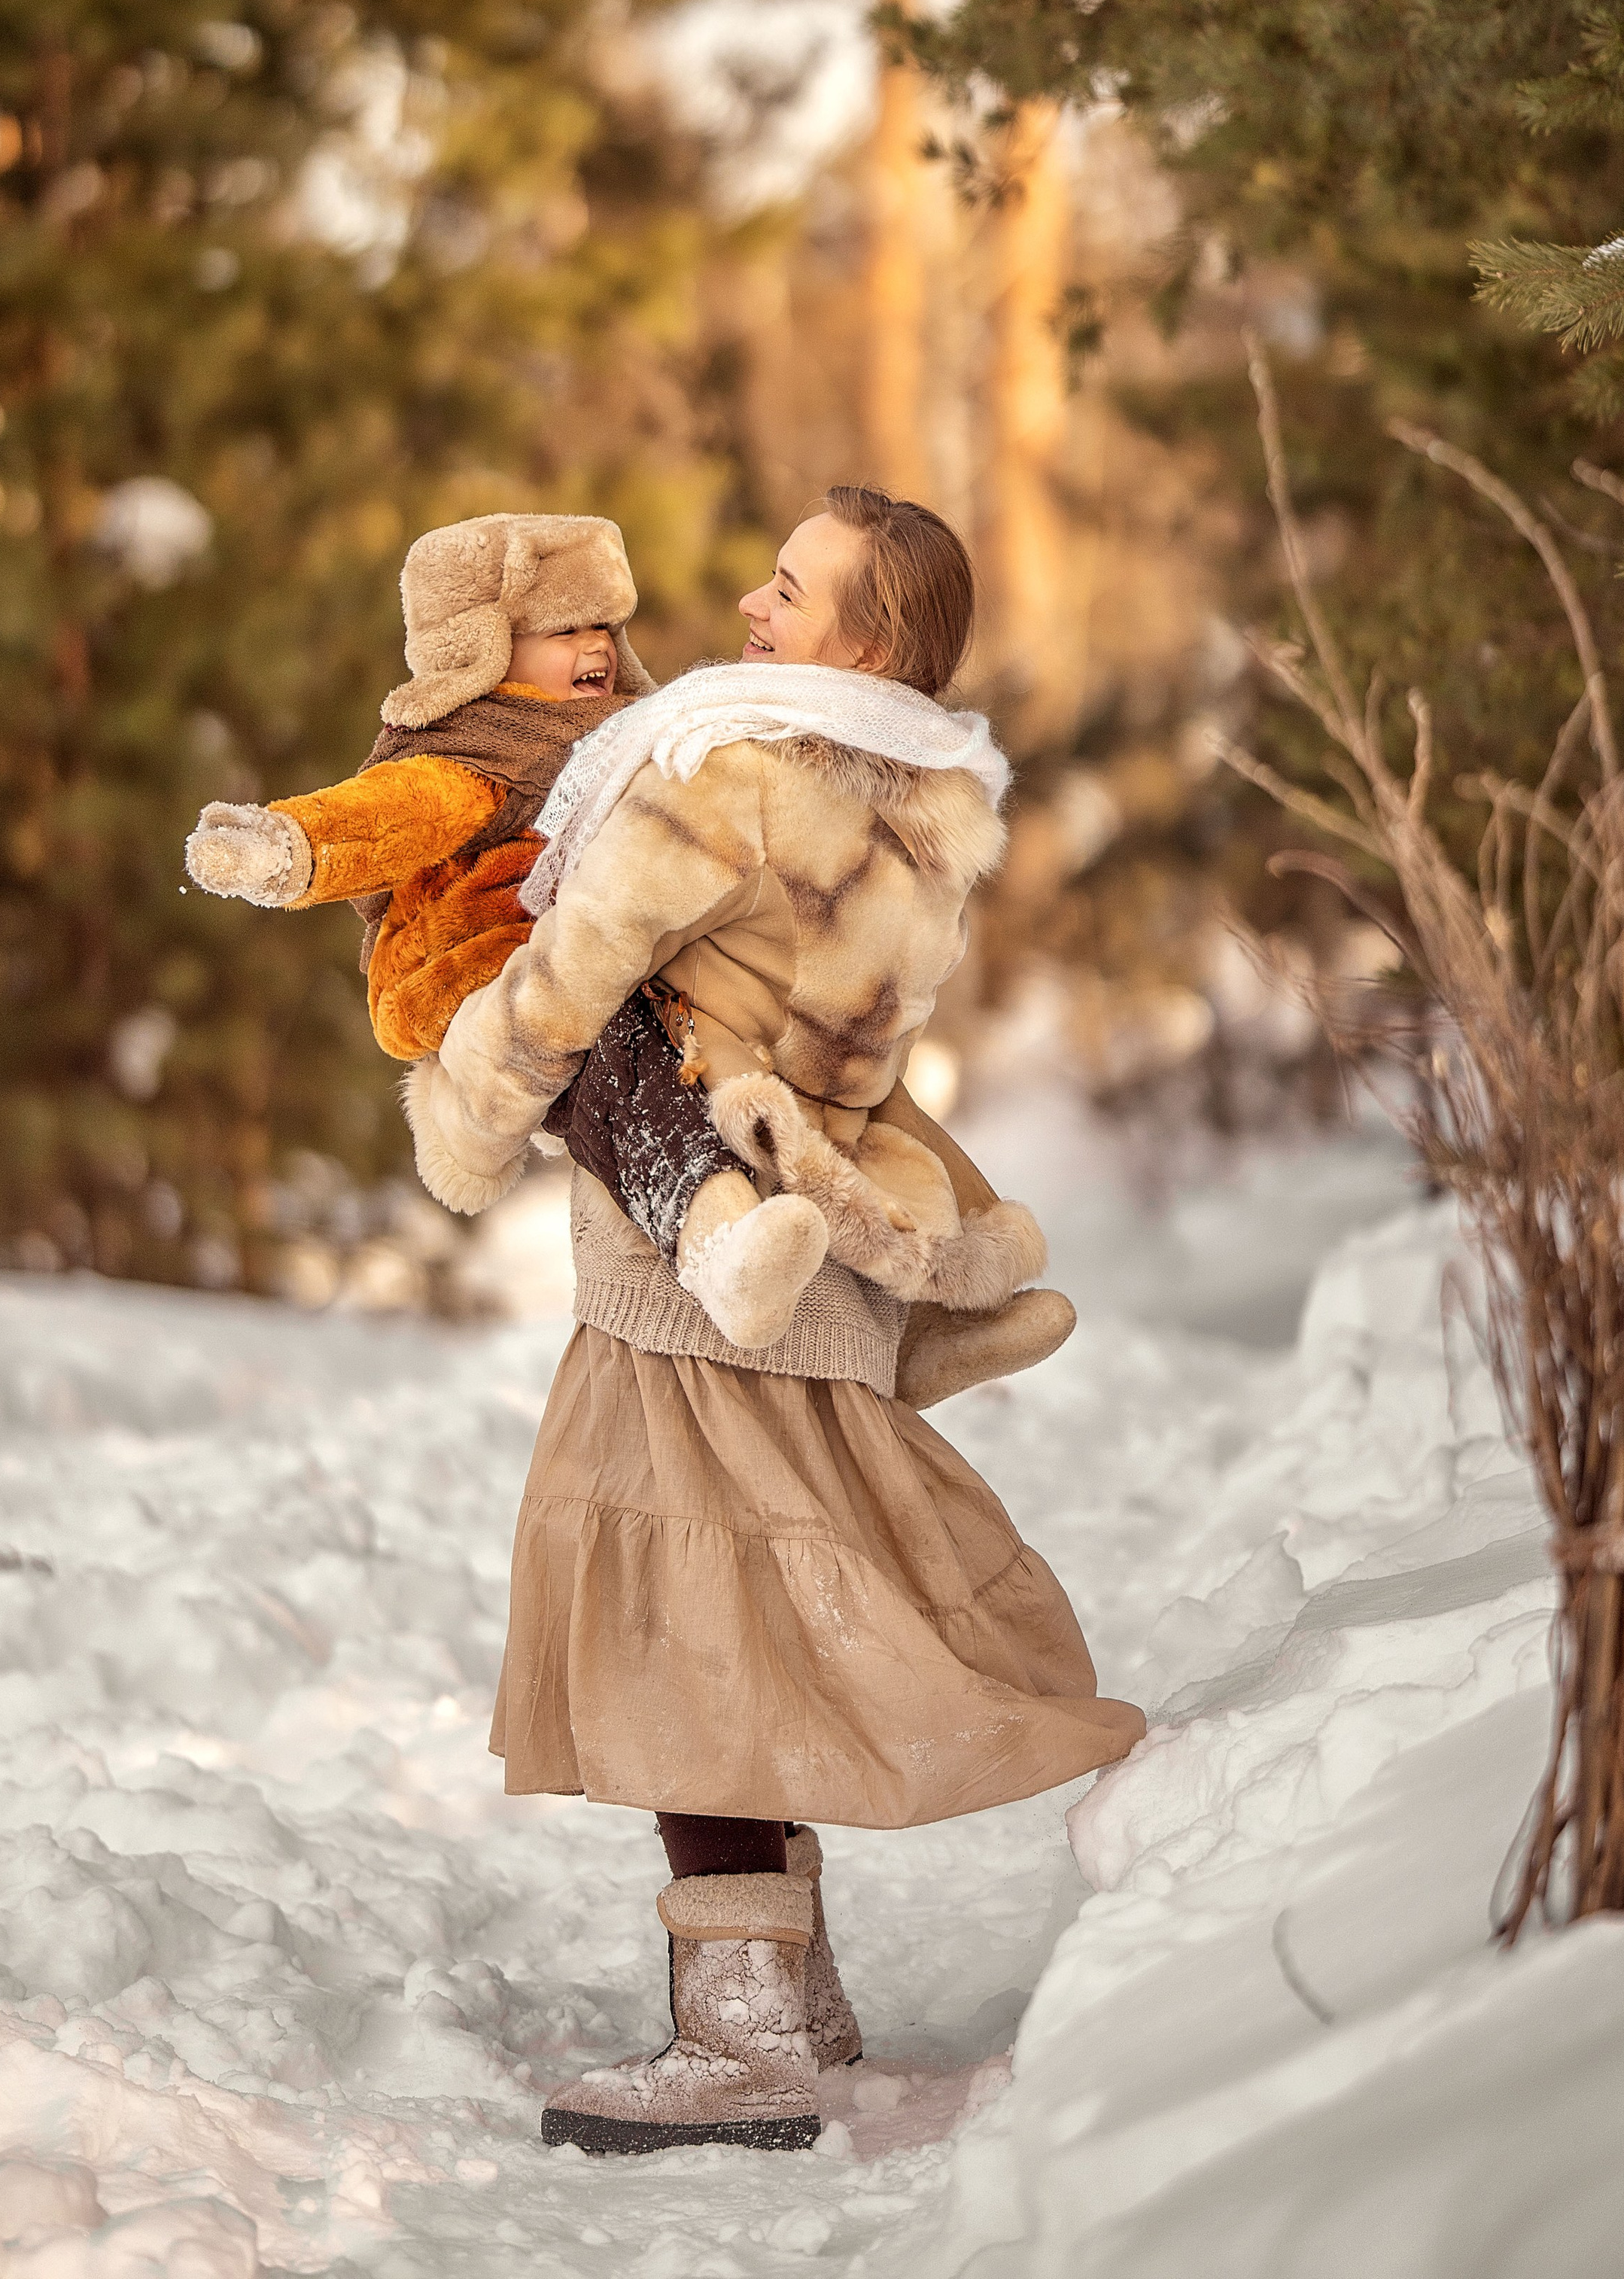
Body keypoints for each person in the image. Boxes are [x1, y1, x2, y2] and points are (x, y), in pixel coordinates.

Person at [406, 485, 1145, 2159]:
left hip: (689, 1279)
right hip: (808, 1242)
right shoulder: (920, 809)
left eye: (790, 591)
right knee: (731, 1596)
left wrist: (464, 1106)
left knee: (682, 1627)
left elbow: (568, 981)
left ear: (864, 641)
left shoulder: (726, 776)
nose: (748, 604)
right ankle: (789, 1999)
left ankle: (740, 2041)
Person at [180, 513, 899, 1348]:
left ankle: (931, 1274)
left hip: (593, 962)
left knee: (749, 1068)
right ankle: (714, 1242)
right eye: (562, 629)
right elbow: (384, 816)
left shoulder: (625, 725)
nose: (593, 646)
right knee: (634, 1080)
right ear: (484, 648)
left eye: (603, 625)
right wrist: (286, 847)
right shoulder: (478, 750)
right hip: (492, 972)